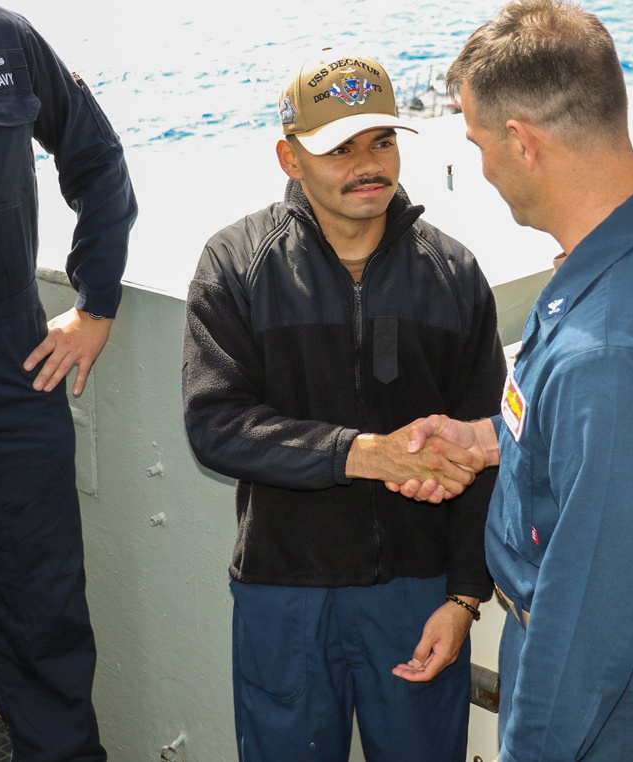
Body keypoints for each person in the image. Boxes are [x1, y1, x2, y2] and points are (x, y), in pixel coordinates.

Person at [392, 2, 633, 759]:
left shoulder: (607, 351)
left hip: (606, 692)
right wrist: (488, 440)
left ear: (521, 143)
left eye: (478, 142)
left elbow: (592, 607)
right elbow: (619, 447)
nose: (481, 166)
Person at [181, 48, 506, 762]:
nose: (370, 164)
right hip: (283, 589)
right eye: (340, 148)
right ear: (289, 157)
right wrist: (365, 455)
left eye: (383, 140)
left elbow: (492, 447)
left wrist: (463, 600)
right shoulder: (235, 265)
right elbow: (215, 424)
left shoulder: (453, 274)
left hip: (419, 593)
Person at [0, 6, 137, 761]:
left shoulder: (7, 39)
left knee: (44, 620)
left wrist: (97, 301)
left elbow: (97, 159)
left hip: (9, 377)